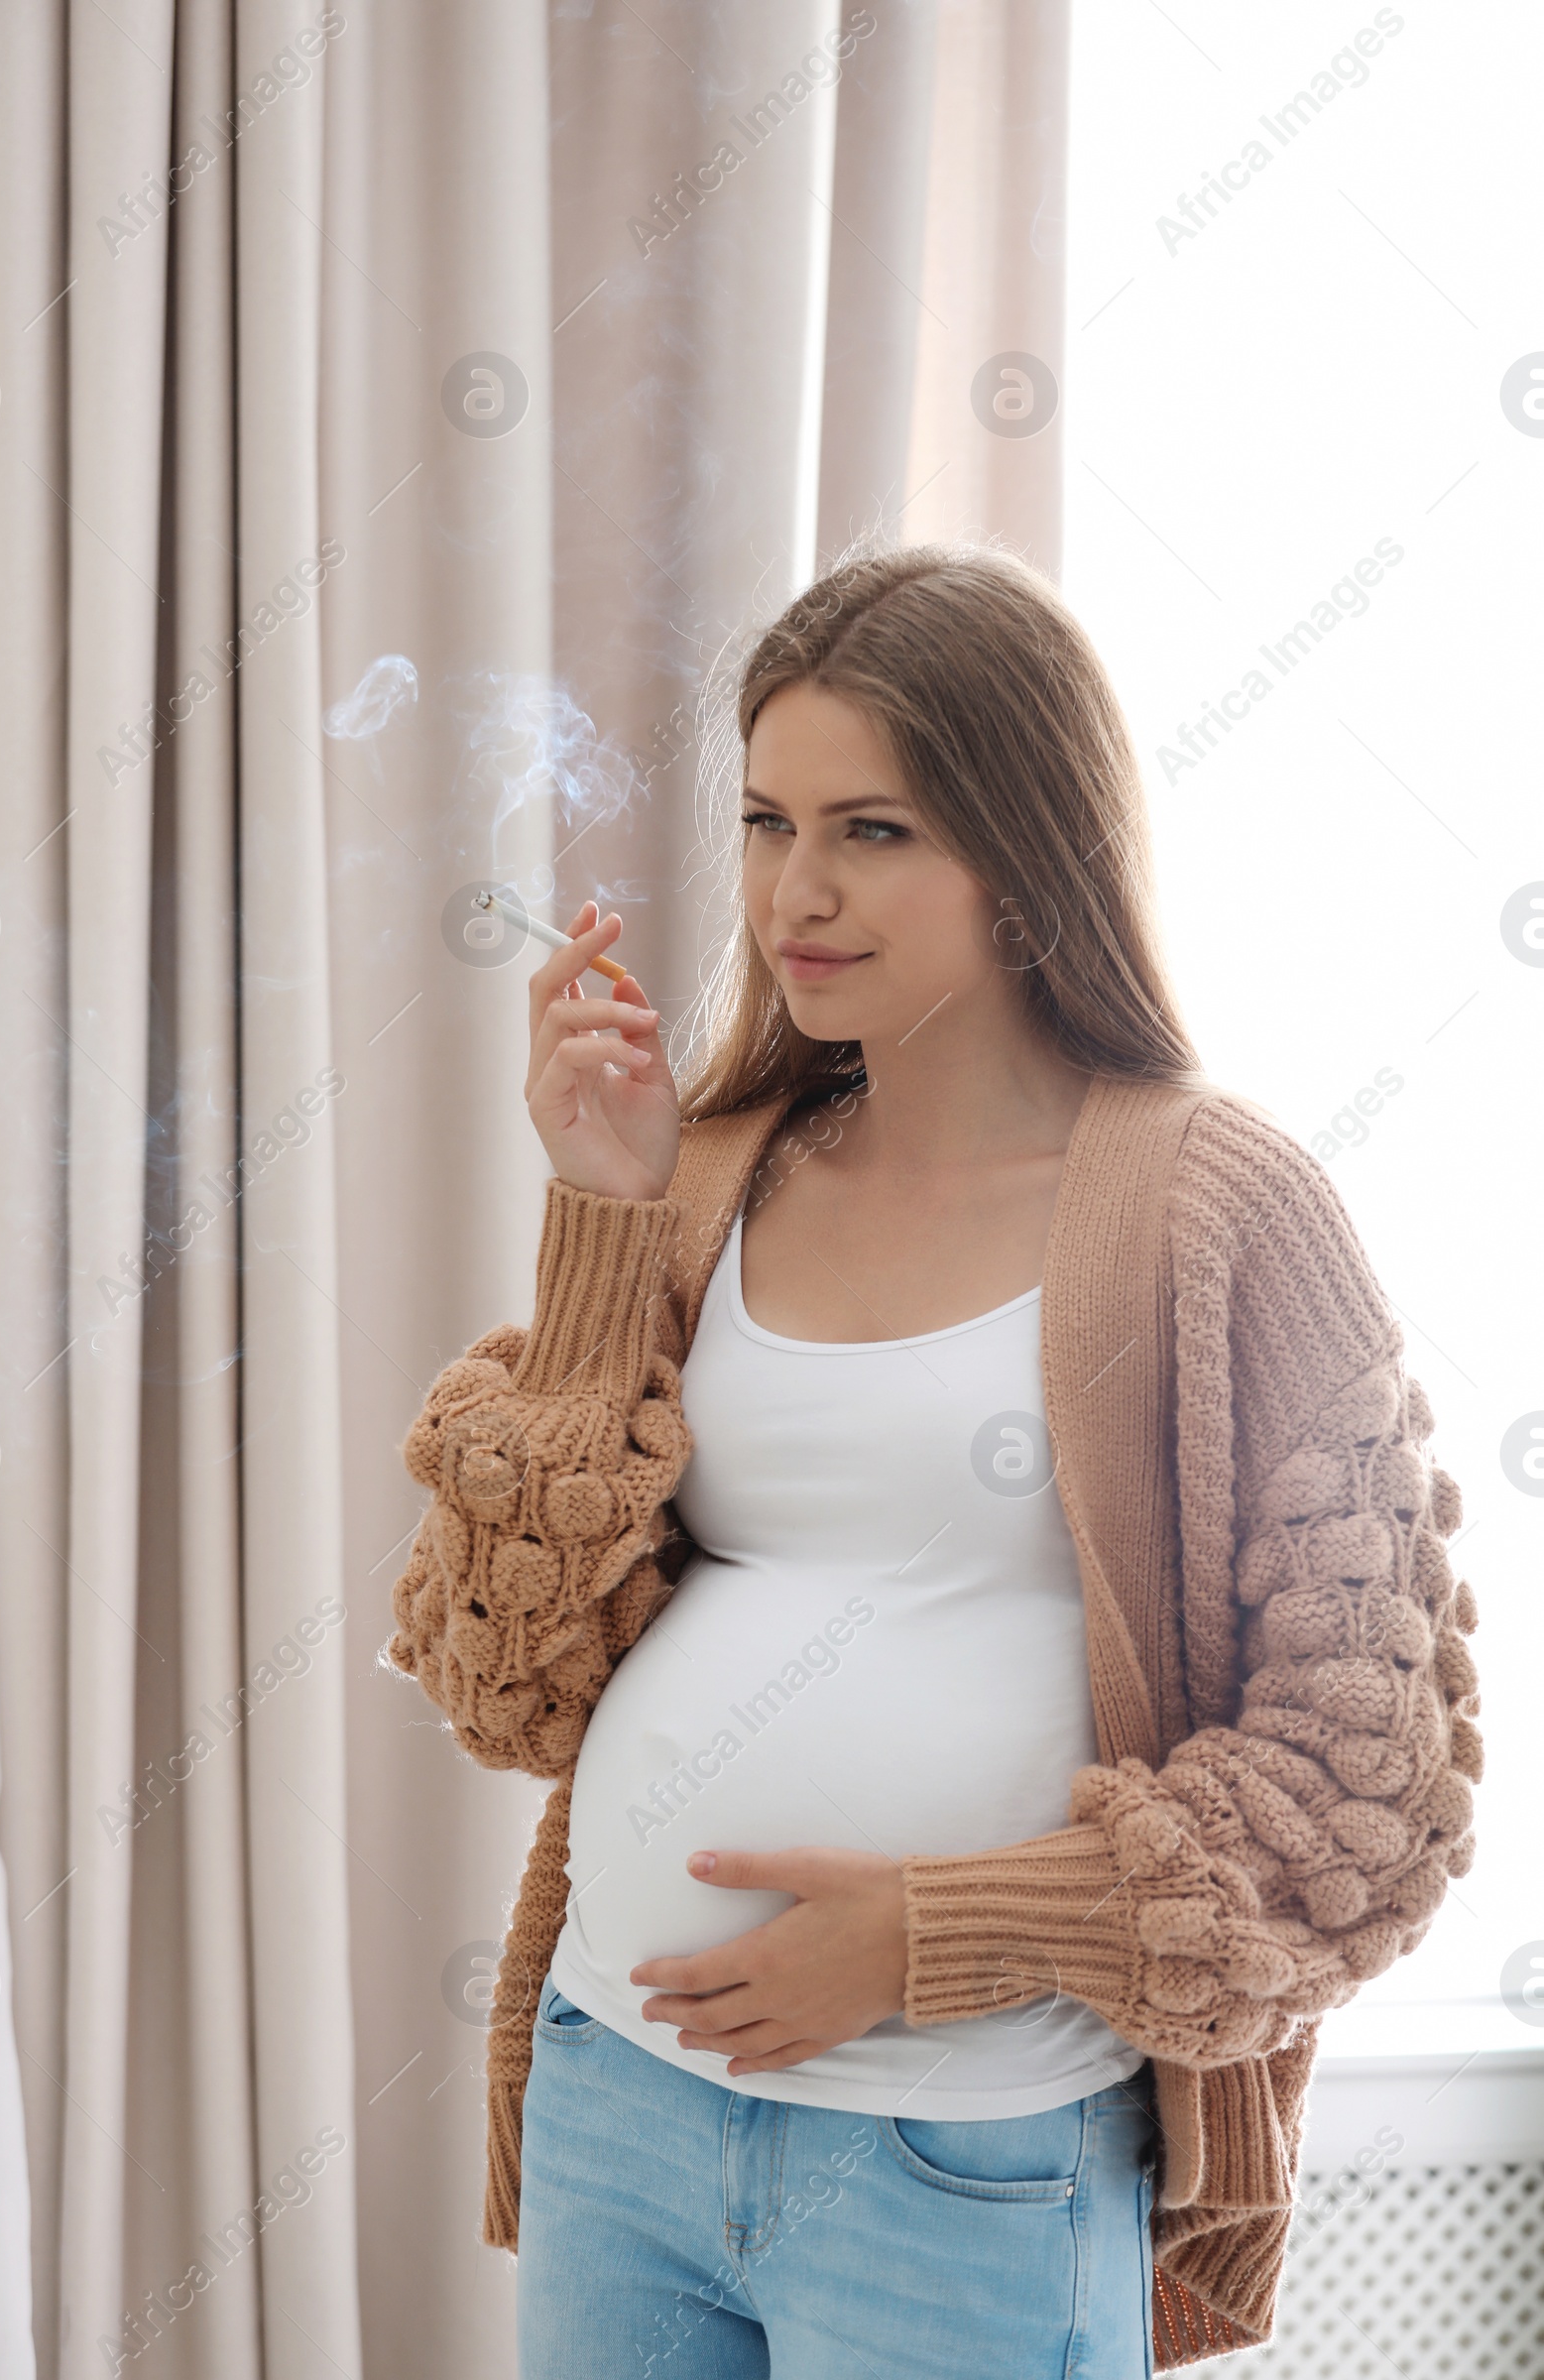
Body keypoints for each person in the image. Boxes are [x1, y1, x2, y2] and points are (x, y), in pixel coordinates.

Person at [386, 545, 1481, 2377]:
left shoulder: (1221, 1212)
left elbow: (1378, 1782)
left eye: (873, 830)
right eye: (764, 820)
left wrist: (937, 1936)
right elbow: (507, 1677)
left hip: (963, 2158)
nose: (795, 893)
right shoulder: (716, 1168)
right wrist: (603, 1217)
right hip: (617, 2105)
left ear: (1027, 850)